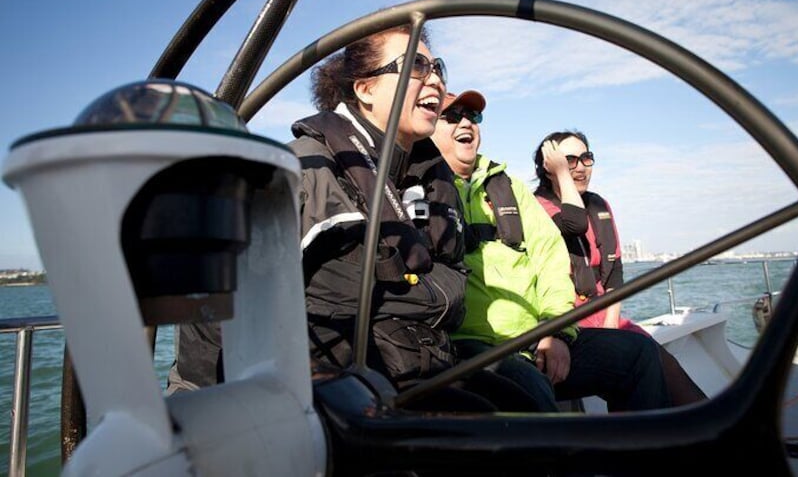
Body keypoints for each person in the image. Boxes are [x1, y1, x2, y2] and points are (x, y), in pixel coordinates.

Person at [168, 25, 539, 413]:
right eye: (415, 65)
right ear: (365, 89)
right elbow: (212, 309)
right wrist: (207, 415)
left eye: (436, 67)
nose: (433, 79)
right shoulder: (306, 170)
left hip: (423, 368)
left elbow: (453, 288)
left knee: (527, 407)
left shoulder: (429, 178)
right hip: (335, 396)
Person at [431, 90, 672, 413]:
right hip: (470, 346)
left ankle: (639, 458)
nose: (466, 122)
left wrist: (555, 332)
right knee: (527, 384)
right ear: (429, 125)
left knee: (638, 354)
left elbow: (551, 259)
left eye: (473, 116)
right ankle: (554, 463)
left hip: (538, 336)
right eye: (453, 115)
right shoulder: (419, 187)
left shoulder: (509, 188)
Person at [533, 130, 707, 406]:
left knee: (664, 365)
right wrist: (562, 176)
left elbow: (614, 273)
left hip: (605, 311)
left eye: (585, 158)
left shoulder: (600, 205)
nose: (579, 167)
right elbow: (573, 223)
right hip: (566, 317)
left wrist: (612, 322)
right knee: (638, 364)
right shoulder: (537, 209)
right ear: (549, 166)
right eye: (569, 161)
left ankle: (710, 429)